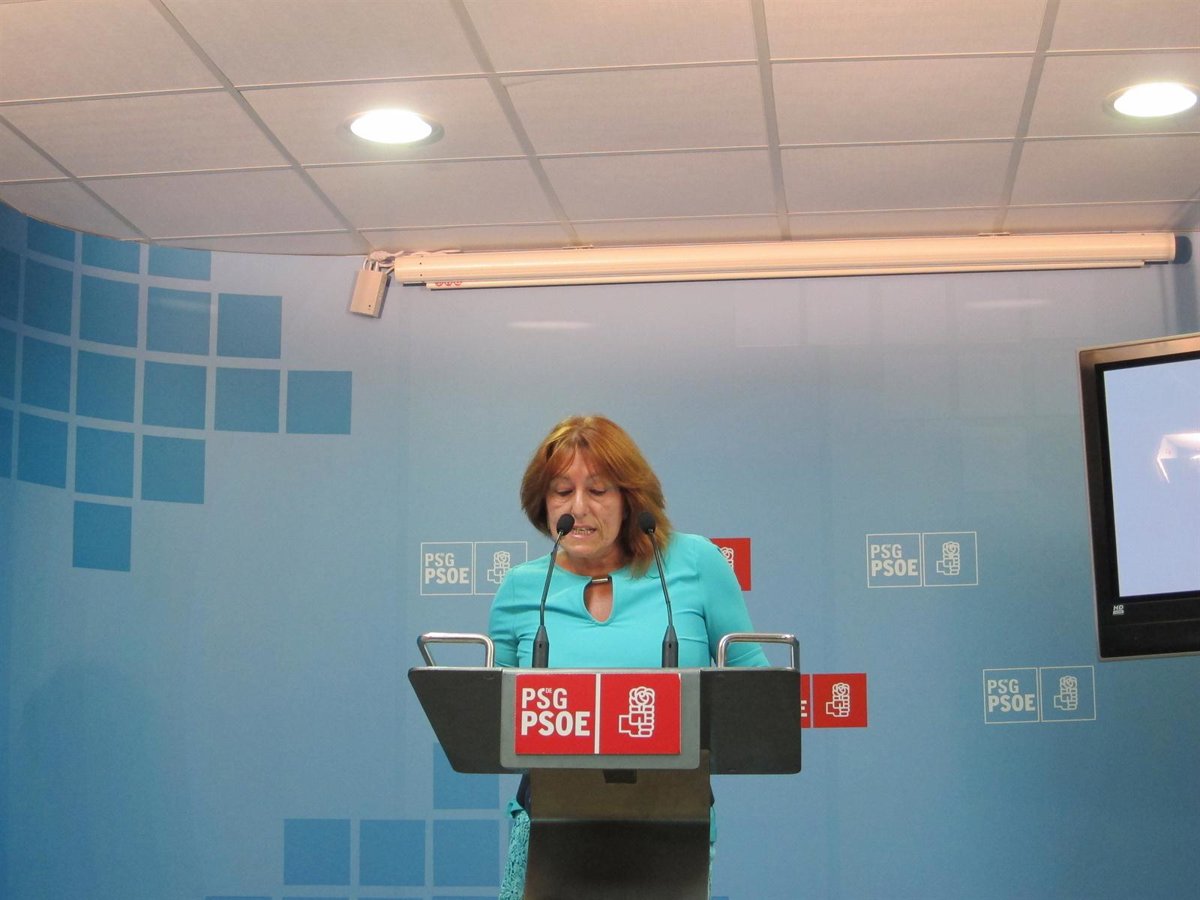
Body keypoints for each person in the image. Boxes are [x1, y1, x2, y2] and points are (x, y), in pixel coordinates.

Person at [488, 414, 767, 898]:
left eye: (598, 490)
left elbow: (755, 690)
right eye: (561, 491)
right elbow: (492, 722)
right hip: (550, 827)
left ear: (629, 498)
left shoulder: (695, 563)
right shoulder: (522, 588)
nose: (578, 507)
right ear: (543, 503)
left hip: (673, 823)